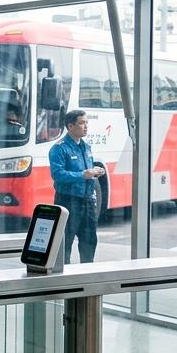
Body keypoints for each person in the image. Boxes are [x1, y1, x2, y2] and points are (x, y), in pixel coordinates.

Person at [50, 109, 103, 264]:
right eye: (82, 123)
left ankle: (87, 274)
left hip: (87, 200)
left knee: (89, 240)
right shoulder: (59, 148)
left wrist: (96, 172)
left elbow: (87, 171)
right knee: (66, 240)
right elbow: (57, 174)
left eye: (87, 123)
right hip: (68, 201)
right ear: (70, 126)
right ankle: (64, 278)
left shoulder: (86, 147)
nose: (86, 126)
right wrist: (82, 175)